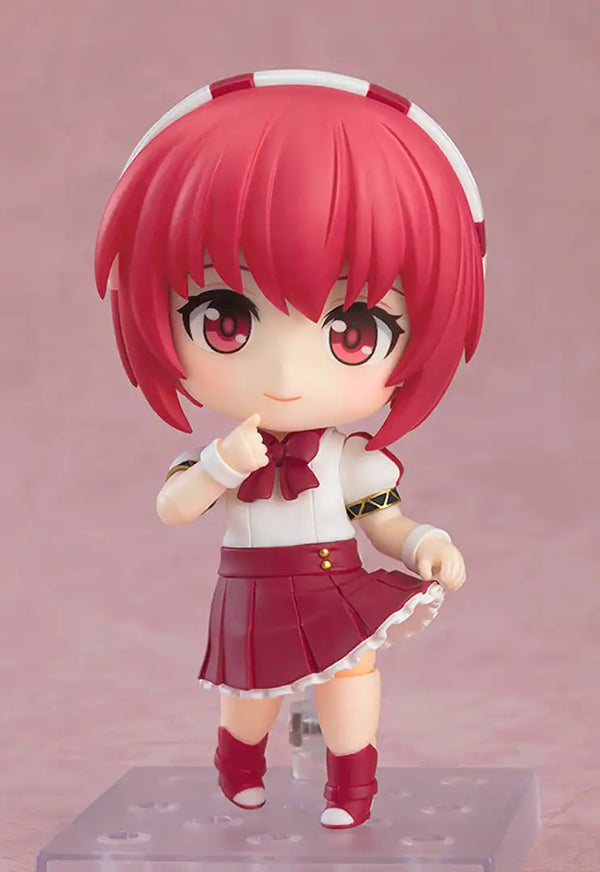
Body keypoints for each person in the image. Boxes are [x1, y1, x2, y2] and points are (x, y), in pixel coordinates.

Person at [95, 69, 486, 829]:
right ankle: (238, 764)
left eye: (354, 331)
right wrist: (222, 464)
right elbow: (174, 508)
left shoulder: (351, 460)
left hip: (335, 584)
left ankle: (352, 789)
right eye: (225, 320)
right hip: (250, 592)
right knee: (249, 696)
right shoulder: (225, 451)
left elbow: (384, 522)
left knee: (352, 679)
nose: (284, 377)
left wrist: (425, 542)